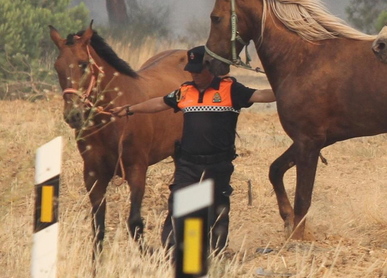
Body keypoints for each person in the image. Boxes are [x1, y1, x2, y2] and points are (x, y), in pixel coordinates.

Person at [114, 47, 275, 254]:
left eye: (198, 71)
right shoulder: (185, 91)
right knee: (180, 205)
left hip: (218, 164)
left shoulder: (230, 89)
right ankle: (173, 251)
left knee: (215, 210)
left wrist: (284, 88)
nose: (194, 75)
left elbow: (261, 95)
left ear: (211, 68)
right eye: (191, 71)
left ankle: (216, 252)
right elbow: (159, 103)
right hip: (189, 164)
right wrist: (129, 109)